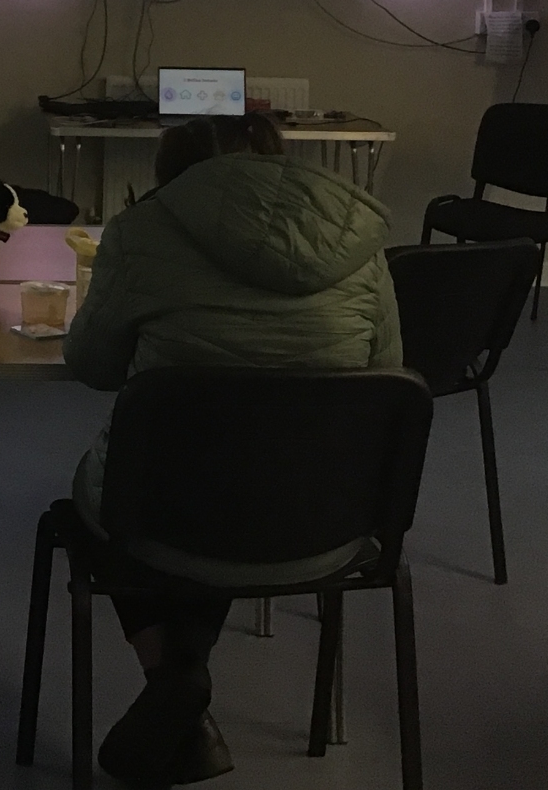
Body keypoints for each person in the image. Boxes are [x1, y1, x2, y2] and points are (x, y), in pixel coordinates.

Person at [62, 113, 402, 786]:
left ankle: (176, 677)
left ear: (171, 174)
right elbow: (386, 374)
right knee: (237, 478)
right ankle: (182, 680)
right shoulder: (359, 240)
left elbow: (95, 365)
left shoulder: (138, 232)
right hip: (324, 519)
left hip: (170, 516)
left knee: (135, 493)